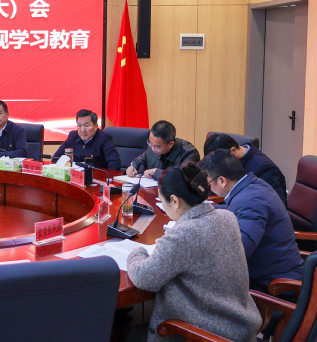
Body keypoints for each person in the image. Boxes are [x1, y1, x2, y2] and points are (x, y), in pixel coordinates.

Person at [127, 163, 262, 342]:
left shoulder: (184, 234)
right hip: (239, 326)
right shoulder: (227, 217)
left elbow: (144, 277)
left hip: (206, 334)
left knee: (130, 333)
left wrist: (136, 251)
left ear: (175, 201)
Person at [198, 149, 303, 293]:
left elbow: (238, 253)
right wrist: (201, 211)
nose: (208, 188)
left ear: (222, 180)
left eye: (208, 182)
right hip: (271, 273)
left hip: (274, 287)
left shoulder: (249, 201)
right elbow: (234, 210)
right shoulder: (252, 185)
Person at [204, 133, 288, 206]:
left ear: (233, 151)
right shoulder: (230, 161)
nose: (217, 168)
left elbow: (273, 205)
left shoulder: (265, 169)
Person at [126, 120, 200, 180]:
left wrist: (157, 172)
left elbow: (182, 177)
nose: (152, 149)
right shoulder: (153, 146)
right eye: (150, 143)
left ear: (171, 144)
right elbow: (137, 162)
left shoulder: (189, 153)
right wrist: (132, 168)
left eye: (157, 146)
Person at [50, 109, 121, 170]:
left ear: (96, 127)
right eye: (79, 125)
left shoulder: (104, 138)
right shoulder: (73, 136)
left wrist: (105, 178)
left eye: (86, 126)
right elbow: (55, 158)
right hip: (75, 177)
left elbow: (115, 163)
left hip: (95, 178)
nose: (82, 130)